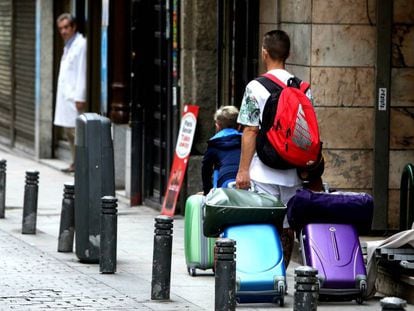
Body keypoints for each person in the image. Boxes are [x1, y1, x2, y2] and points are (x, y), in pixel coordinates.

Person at [236, 30, 315, 267]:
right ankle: (282, 272)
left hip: (263, 169)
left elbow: (250, 130)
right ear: (289, 54)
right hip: (292, 170)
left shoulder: (255, 87)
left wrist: (243, 170)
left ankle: (266, 273)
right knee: (287, 226)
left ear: (264, 52)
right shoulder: (303, 88)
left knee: (264, 222)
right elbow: (308, 133)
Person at [54, 13, 87, 173]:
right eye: (61, 28)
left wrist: (80, 96)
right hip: (66, 97)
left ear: (74, 27)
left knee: (77, 133)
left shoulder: (81, 45)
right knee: (69, 132)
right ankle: (75, 163)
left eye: (66, 27)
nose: (63, 31)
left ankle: (80, 165)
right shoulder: (68, 45)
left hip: (75, 98)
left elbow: (82, 71)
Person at [202, 106, 242, 195]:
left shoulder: (214, 144)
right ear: (239, 126)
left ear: (218, 126)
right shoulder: (246, 141)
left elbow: (206, 170)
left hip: (222, 188)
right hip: (246, 183)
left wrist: (207, 192)